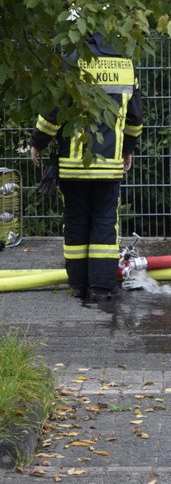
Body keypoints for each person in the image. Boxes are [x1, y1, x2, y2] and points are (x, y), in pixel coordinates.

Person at [30, 32, 143, 303]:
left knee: (76, 222)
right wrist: (128, 150)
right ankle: (102, 288)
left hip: (73, 165)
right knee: (105, 224)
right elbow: (135, 116)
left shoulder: (71, 60)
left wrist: (38, 142)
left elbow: (54, 111)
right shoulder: (125, 64)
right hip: (109, 165)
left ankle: (79, 286)